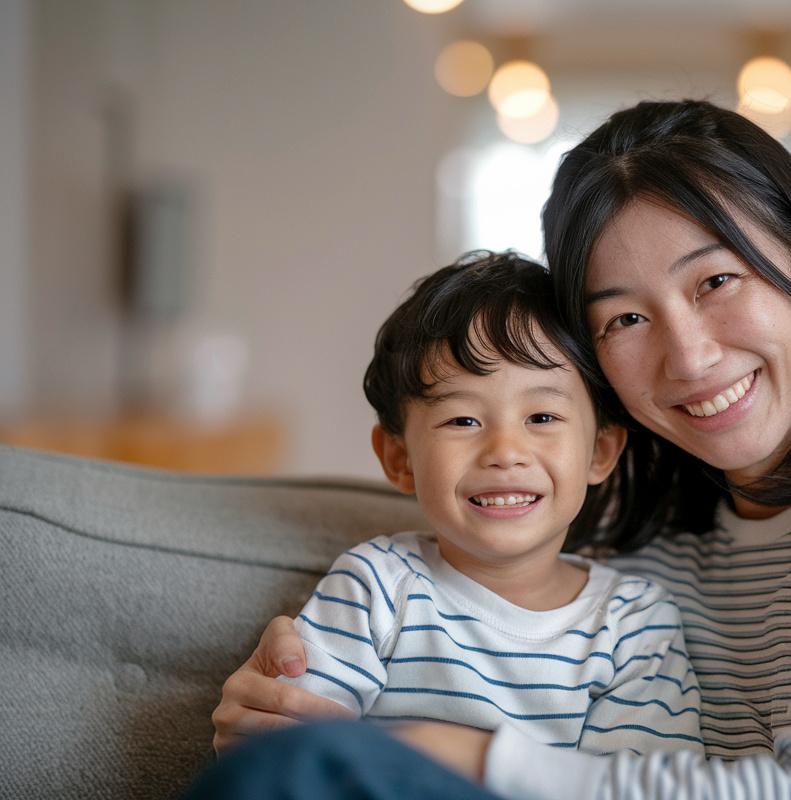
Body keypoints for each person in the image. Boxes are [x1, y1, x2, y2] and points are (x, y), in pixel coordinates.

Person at [204, 100, 791, 799]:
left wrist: (435, 751)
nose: (688, 356)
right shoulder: (641, 566)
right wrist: (284, 705)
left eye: (716, 279)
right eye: (626, 319)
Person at [193, 251, 703, 794]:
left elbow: (638, 787)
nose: (505, 451)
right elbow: (300, 749)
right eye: (462, 419)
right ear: (399, 459)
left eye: (542, 417)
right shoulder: (376, 585)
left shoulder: (632, 623)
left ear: (600, 452)